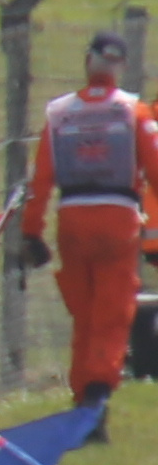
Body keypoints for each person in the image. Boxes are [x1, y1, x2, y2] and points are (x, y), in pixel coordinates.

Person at [22, 30, 150, 426]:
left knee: (84, 313)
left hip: (72, 218)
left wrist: (31, 232)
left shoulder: (59, 114)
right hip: (118, 218)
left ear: (87, 60)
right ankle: (96, 395)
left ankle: (81, 400)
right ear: (121, 66)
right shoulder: (136, 112)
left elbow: (40, 179)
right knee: (111, 313)